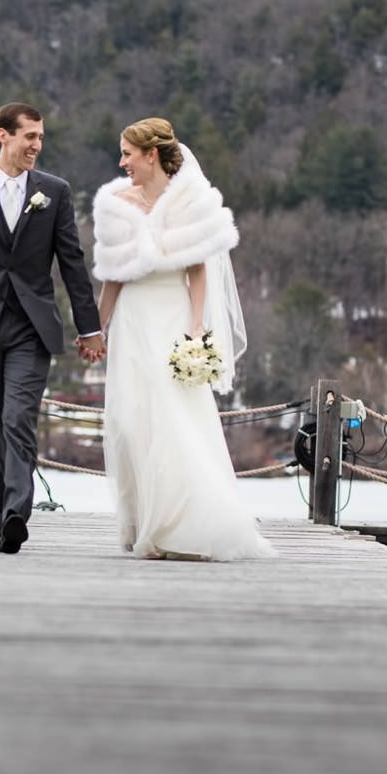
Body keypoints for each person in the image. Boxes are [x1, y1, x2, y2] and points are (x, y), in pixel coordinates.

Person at [90, 117, 277, 561]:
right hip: (134, 318)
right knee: (130, 421)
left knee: (174, 419)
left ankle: (182, 524)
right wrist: (97, 329)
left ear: (150, 154)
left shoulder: (190, 200)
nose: (122, 163)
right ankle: (142, 521)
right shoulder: (117, 203)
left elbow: (198, 271)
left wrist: (197, 328)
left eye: (128, 154)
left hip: (173, 318)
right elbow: (113, 277)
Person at [0, 102, 105, 555]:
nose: (37, 145)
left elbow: (72, 263)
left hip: (31, 328)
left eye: (41, 137)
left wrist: (89, 328)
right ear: (3, 136)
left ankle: (16, 512)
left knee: (18, 419)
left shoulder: (55, 192)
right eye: (29, 136)